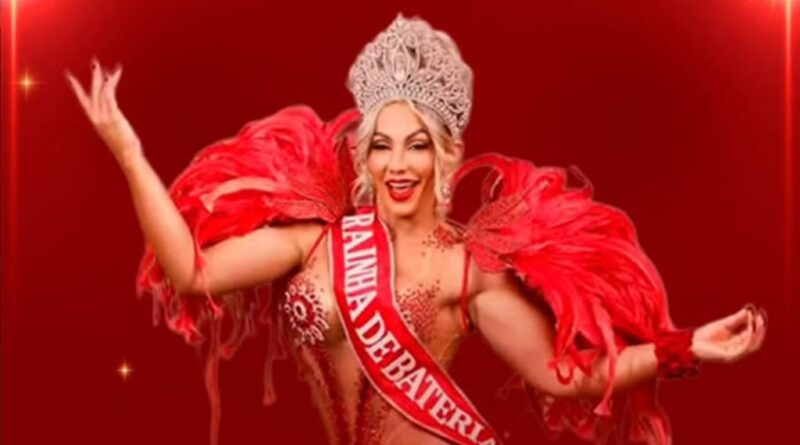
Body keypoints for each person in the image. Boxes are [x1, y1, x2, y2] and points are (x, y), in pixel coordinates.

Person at [66, 14, 766, 445]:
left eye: (417, 144)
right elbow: (192, 271)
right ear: (364, 155)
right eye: (382, 145)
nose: (398, 164)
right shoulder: (317, 241)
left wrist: (685, 346)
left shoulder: (467, 266)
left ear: (445, 155)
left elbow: (570, 379)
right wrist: (129, 152)